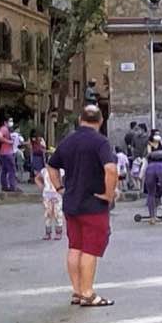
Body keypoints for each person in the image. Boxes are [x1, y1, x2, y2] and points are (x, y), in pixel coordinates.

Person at [47, 103, 120, 306]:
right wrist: (108, 194)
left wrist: (59, 188)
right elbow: (111, 169)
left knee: (75, 247)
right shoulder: (100, 142)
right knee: (90, 249)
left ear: (80, 120)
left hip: (72, 202)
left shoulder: (68, 141)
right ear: (101, 121)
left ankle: (77, 291)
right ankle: (88, 293)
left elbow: (51, 166)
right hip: (93, 204)